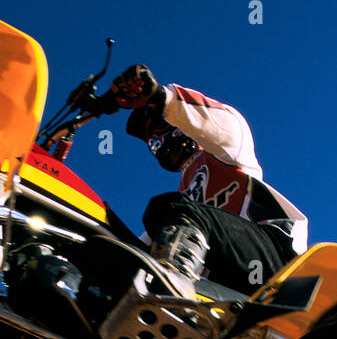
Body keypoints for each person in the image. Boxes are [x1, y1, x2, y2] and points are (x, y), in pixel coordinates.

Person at [102, 64, 309, 292]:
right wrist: (103, 223)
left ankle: (172, 285)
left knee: (168, 208)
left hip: (272, 256)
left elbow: (221, 123)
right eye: (152, 141)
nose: (158, 142)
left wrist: (161, 97)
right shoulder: (182, 195)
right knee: (147, 231)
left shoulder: (226, 150)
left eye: (160, 130)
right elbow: (140, 252)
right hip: (228, 282)